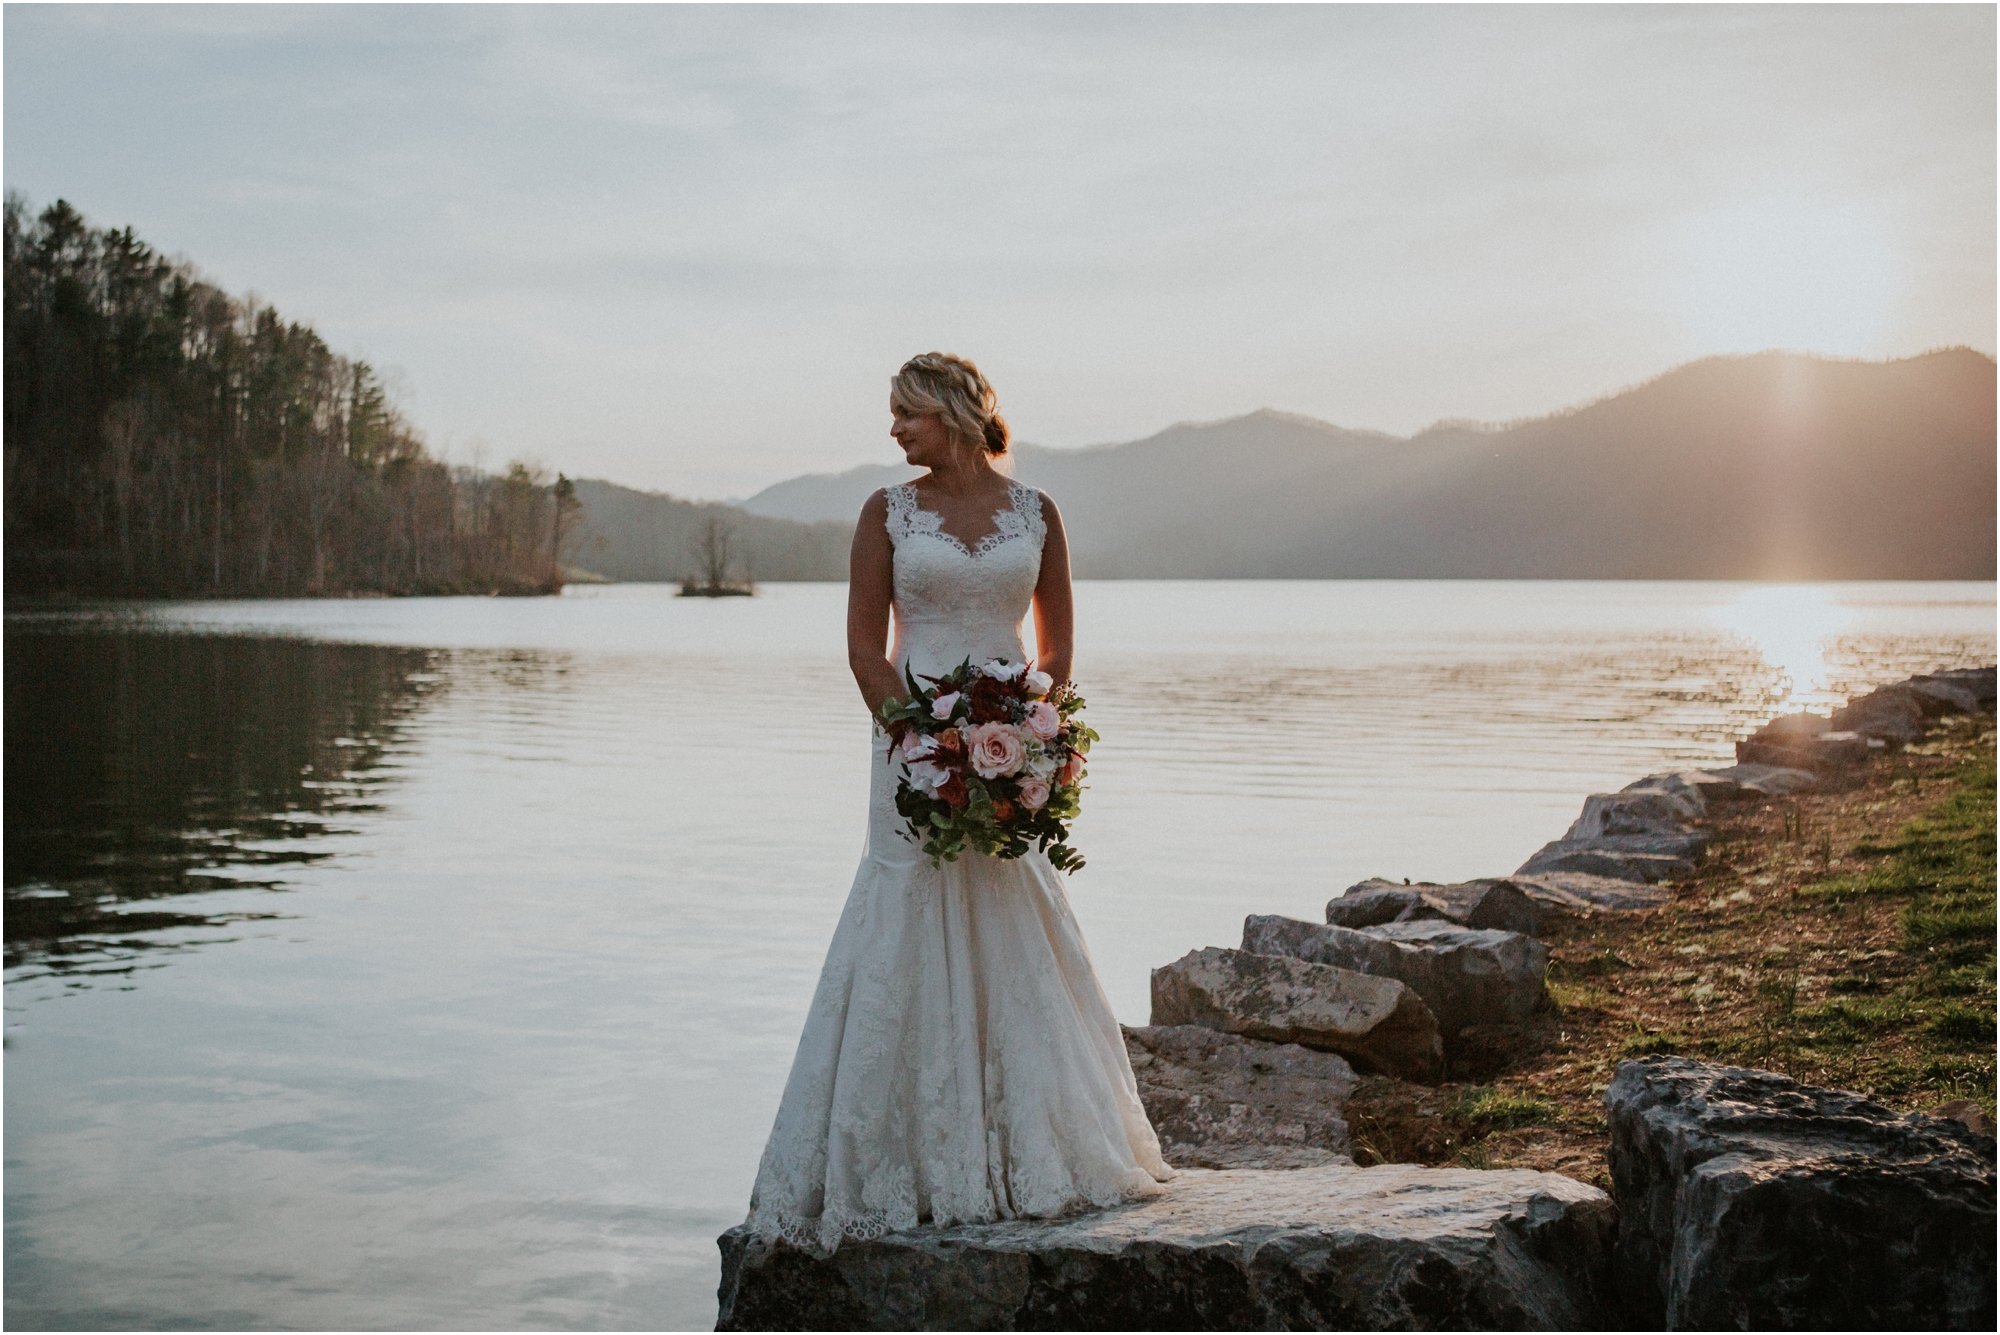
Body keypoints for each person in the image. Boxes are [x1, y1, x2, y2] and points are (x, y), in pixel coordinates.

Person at [743, 353, 1171, 1253]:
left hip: (1011, 738)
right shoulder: (886, 513)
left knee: (1017, 909)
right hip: (911, 742)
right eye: (894, 416)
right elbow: (865, 647)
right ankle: (906, 1159)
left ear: (956, 412)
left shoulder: (1037, 511)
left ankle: (1033, 1151)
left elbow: (1056, 647)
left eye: (907, 413)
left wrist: (1032, 728)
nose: (895, 431)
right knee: (906, 909)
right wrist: (920, 738)